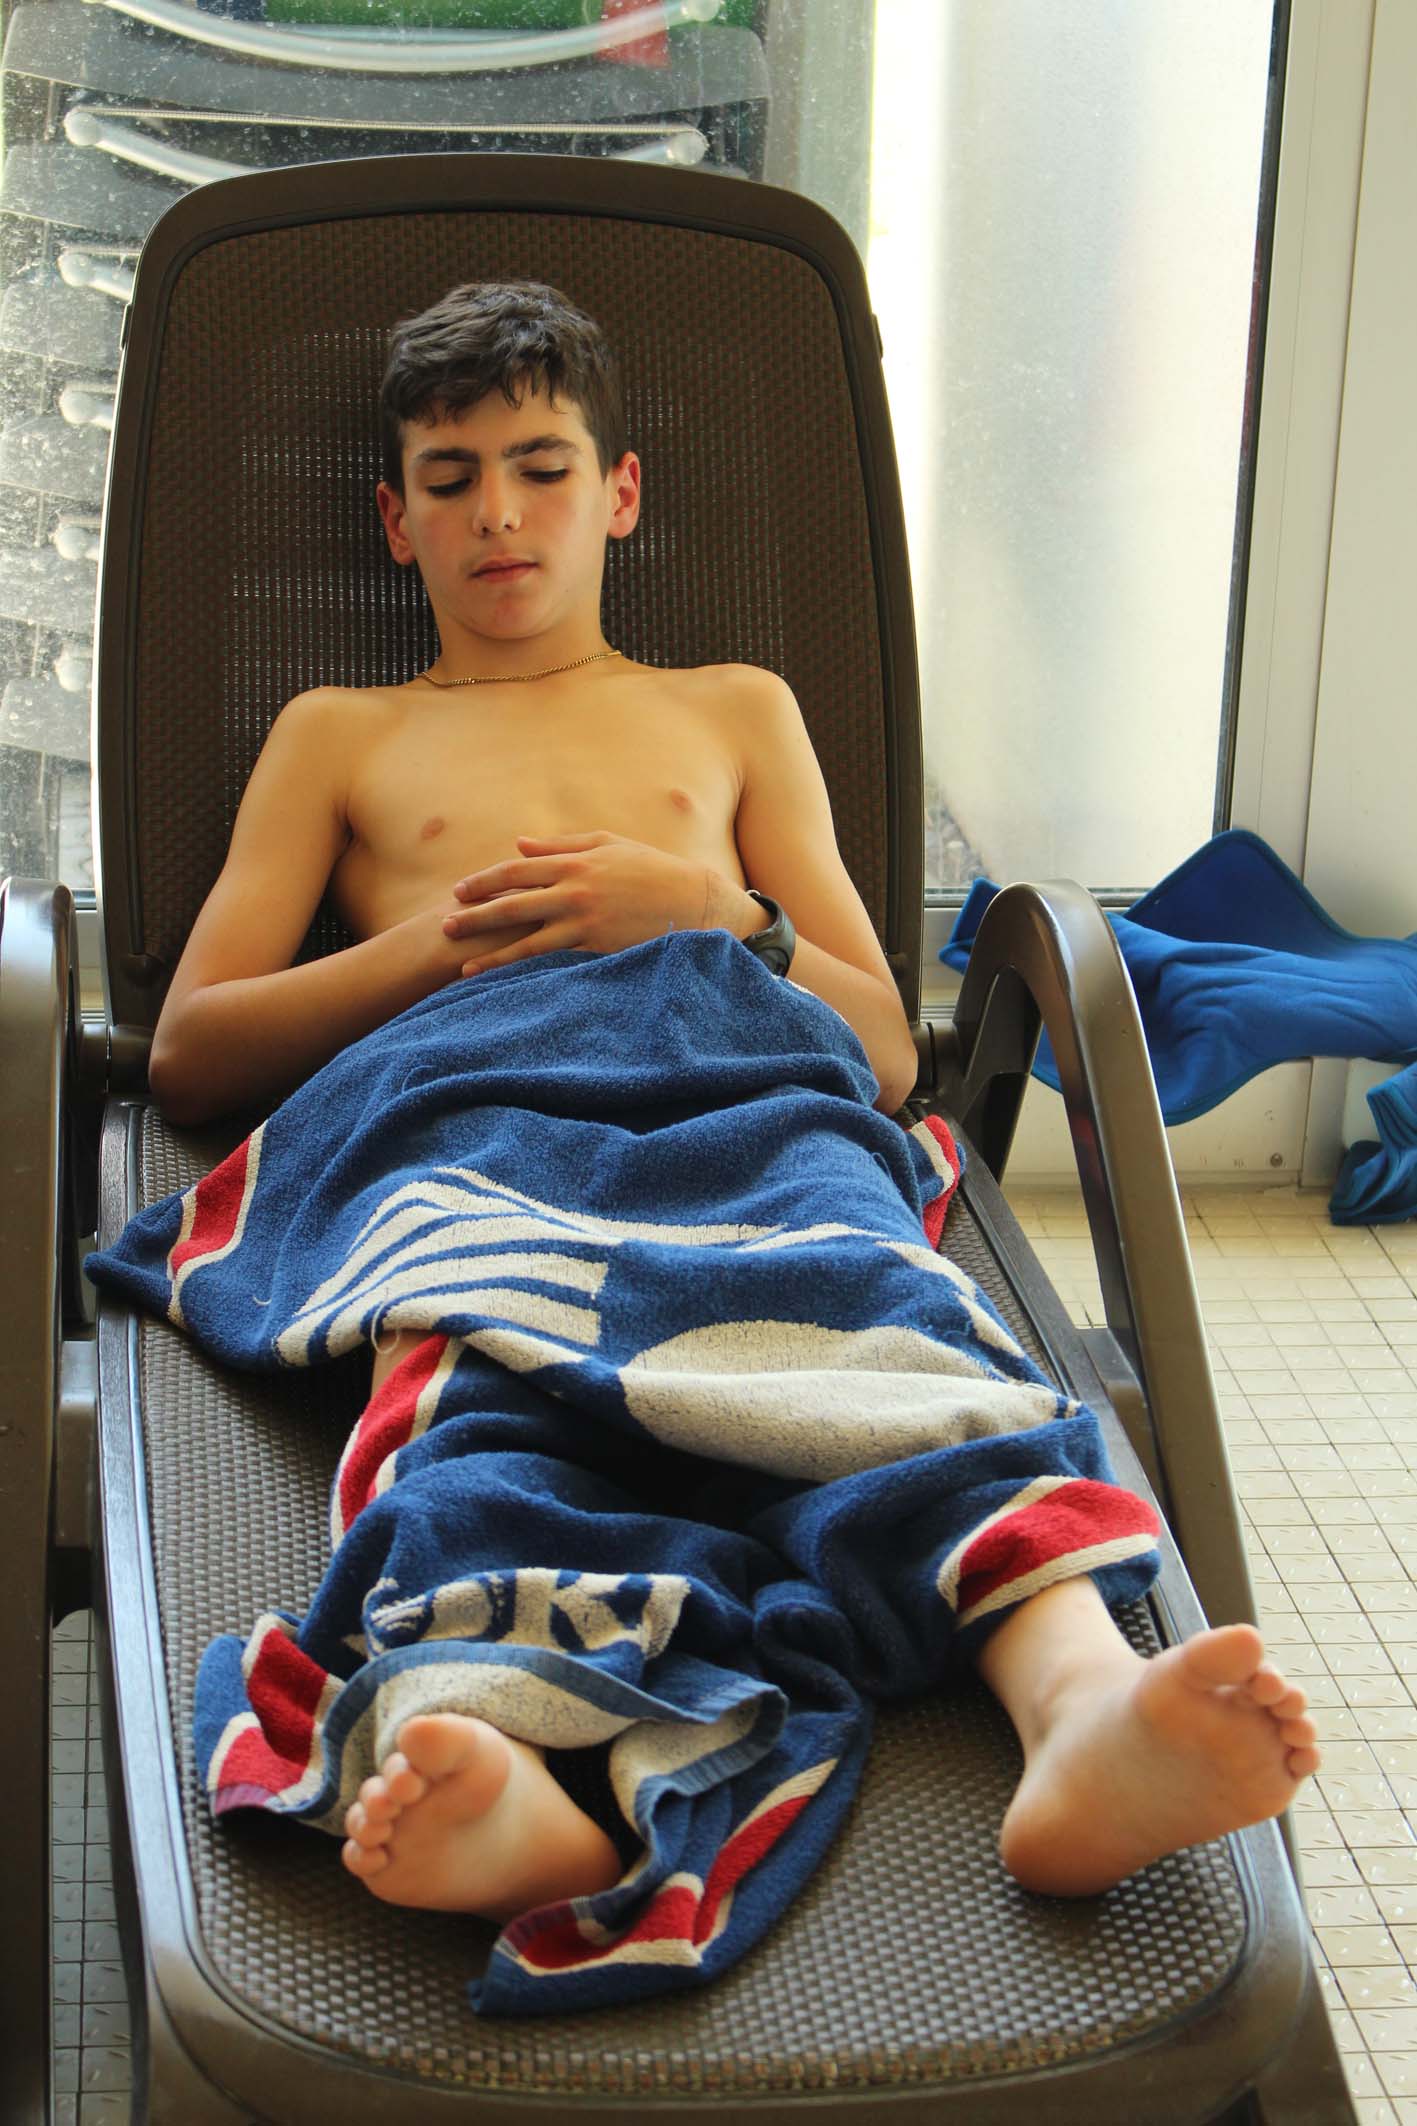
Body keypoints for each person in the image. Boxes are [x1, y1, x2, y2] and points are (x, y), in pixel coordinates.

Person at [145, 279, 1318, 1930]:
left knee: (891, 1338)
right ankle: (494, 1759)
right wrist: (445, 942)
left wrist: (714, 914)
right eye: (449, 477)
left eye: (543, 467)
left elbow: (884, 1052)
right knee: (479, 1391)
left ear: (619, 494)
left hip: (750, 1113)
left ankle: (1078, 1707)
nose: (499, 513)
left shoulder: (732, 708)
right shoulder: (339, 734)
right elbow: (192, 1049)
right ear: (395, 522)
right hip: (482, 1126)